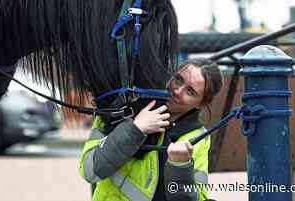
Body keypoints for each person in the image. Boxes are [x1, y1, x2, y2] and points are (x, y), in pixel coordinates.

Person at [79, 58, 223, 201]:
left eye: (190, 91)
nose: (178, 91)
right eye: (178, 79)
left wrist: (181, 166)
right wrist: (135, 129)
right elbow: (89, 171)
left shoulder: (198, 137)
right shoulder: (118, 110)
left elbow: (198, 198)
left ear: (201, 104)